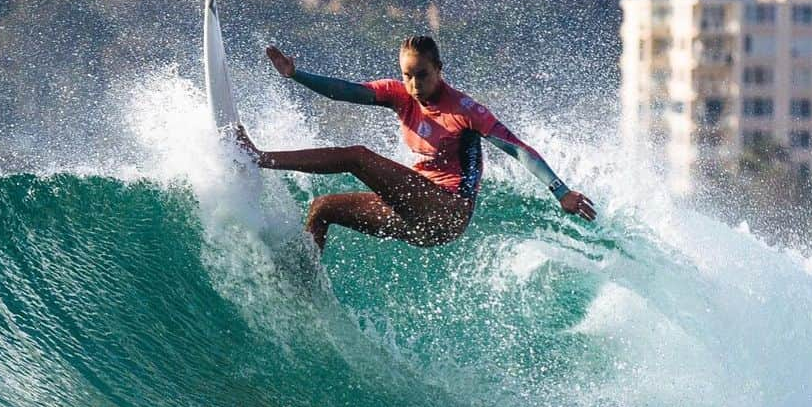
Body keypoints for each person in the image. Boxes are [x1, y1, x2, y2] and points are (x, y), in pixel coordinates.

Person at [236, 35, 595, 251]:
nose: (413, 84)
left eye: (422, 75)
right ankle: (304, 282)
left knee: (357, 157)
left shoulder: (465, 111)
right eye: (407, 75)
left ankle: (260, 157)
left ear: (439, 69)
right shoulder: (400, 95)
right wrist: (296, 75)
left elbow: (517, 148)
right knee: (322, 208)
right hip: (413, 212)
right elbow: (346, 92)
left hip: (447, 212)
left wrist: (560, 191)